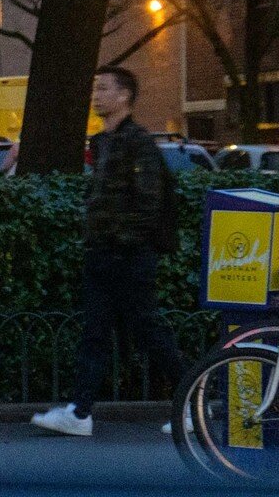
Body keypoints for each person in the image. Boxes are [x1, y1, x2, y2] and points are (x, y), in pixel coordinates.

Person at [31, 66, 185, 438]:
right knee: (97, 333)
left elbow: (149, 201)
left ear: (124, 97)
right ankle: (80, 412)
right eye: (94, 87)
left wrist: (122, 242)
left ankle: (192, 404)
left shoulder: (138, 142)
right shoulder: (102, 142)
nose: (96, 95)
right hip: (104, 253)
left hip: (129, 257)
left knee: (147, 331)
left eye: (103, 88)